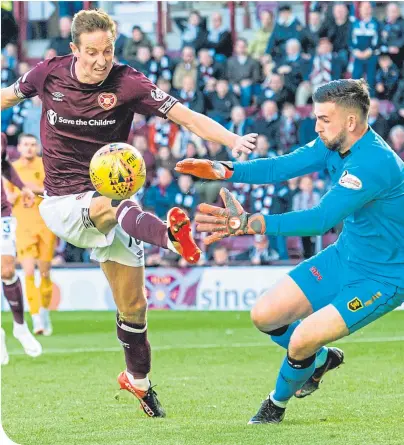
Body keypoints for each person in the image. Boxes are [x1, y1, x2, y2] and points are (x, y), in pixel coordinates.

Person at [1, 9, 257, 417]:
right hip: (64, 204)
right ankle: (172, 237)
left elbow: (185, 116)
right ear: (73, 50)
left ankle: (138, 382)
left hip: (114, 203)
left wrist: (231, 139)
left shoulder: (129, 82)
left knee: (134, 306)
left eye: (108, 51)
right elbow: (7, 96)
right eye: (91, 53)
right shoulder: (47, 73)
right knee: (110, 204)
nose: (100, 60)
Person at [175, 79, 404, 424]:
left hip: (385, 276)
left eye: (323, 119)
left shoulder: (373, 163)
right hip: (344, 257)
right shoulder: (333, 143)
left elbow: (321, 219)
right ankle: (320, 362)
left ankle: (275, 405)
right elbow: (279, 167)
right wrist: (225, 170)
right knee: (264, 315)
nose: (316, 126)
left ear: (350, 122)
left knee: (302, 337)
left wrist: (250, 223)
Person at [5, 133, 56, 335]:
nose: (29, 148)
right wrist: (21, 191)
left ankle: (44, 311)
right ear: (18, 147)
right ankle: (36, 319)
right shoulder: (11, 169)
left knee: (44, 273)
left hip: (45, 225)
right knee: (28, 272)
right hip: (23, 227)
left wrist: (30, 188)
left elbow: (51, 191)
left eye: (33, 144)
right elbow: (7, 197)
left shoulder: (45, 165)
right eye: (25, 144)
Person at [1, 132, 42, 365]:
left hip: (1, 213)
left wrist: (22, 186)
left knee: (7, 271)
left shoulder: (2, 138)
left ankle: (20, 327)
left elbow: (4, 164)